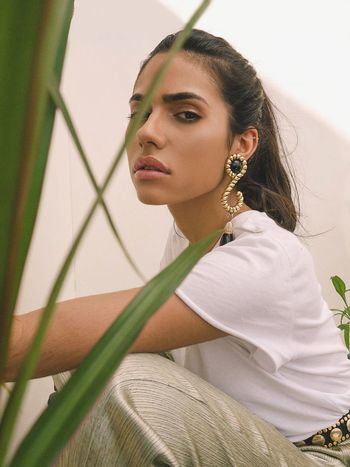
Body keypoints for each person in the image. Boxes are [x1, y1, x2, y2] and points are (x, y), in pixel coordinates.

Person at [6, 29, 350, 466]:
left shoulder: (261, 260)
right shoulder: (191, 237)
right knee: (88, 365)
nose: (147, 133)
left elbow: (23, 349)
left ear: (242, 143)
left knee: (116, 378)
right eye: (139, 112)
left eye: (184, 114)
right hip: (256, 442)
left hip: (322, 456)